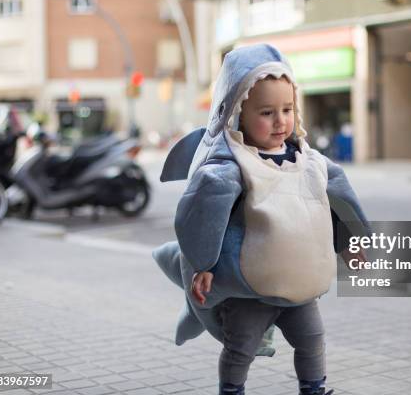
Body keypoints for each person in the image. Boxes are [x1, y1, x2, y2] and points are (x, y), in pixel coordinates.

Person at [152, 44, 369, 395]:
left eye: (287, 109)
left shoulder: (310, 161)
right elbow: (205, 214)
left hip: (300, 287)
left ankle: (313, 389)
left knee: (312, 340)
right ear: (238, 113)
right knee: (241, 348)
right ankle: (232, 390)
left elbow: (337, 201)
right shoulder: (231, 165)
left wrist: (350, 244)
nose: (280, 120)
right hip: (249, 293)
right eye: (267, 112)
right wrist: (203, 264)